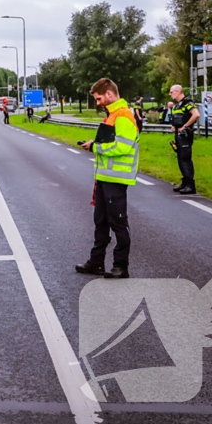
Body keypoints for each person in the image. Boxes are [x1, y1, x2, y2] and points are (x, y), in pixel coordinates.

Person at [75, 78, 139, 280]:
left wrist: (95, 147)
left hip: (117, 180)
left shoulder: (123, 116)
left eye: (99, 98)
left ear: (110, 94)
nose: (98, 103)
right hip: (104, 177)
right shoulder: (113, 115)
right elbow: (112, 142)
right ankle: (97, 263)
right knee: (100, 222)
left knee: (118, 223)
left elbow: (122, 147)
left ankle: (121, 266)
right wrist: (96, 143)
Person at [169, 84, 200, 194]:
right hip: (178, 135)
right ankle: (185, 182)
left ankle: (190, 185)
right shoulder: (177, 106)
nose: (170, 94)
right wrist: (174, 126)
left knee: (185, 159)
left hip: (185, 135)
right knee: (180, 159)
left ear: (178, 91)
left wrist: (185, 126)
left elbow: (196, 114)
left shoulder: (187, 102)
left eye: (171, 92)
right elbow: (176, 119)